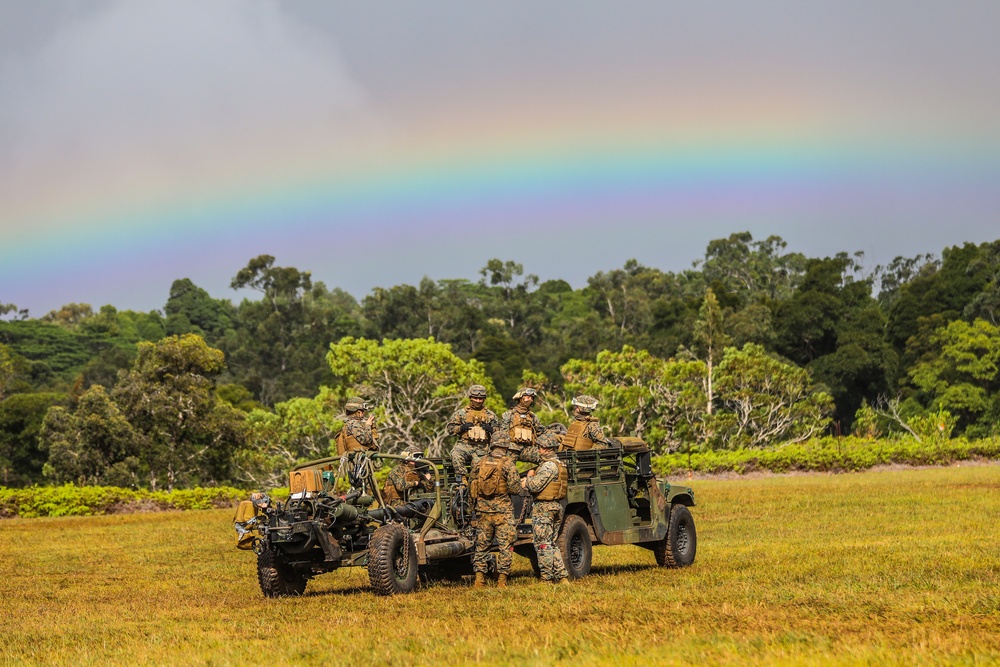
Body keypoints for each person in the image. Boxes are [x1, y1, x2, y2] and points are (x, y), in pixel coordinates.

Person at [469, 441, 521, 589]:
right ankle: (502, 581)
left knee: (482, 546)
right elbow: (515, 488)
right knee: (506, 546)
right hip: (503, 512)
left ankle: (479, 581)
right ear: (505, 447)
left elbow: (472, 485)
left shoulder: (479, 463)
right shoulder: (508, 464)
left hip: (483, 512)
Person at [521, 433, 569, 584]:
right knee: (551, 543)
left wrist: (527, 479)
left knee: (542, 544)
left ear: (546, 449)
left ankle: (547, 578)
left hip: (544, 508)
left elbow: (535, 485)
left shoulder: (549, 466)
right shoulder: (560, 463)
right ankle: (562, 577)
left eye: (540, 448)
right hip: (556, 506)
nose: (539, 450)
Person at [447, 384, 499, 483]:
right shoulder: (461, 413)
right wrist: (461, 428)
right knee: (456, 454)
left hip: (483, 447)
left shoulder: (490, 415)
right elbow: (450, 429)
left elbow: (500, 433)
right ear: (470, 398)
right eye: (475, 398)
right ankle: (462, 481)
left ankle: (476, 484)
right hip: (465, 444)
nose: (478, 401)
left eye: (481, 398)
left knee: (481, 467)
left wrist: (491, 429)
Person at [500, 388, 545, 463]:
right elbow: (502, 434)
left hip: (527, 449)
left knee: (546, 458)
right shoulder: (508, 414)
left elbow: (540, 432)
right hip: (511, 449)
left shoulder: (533, 417)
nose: (530, 400)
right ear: (520, 398)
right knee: (506, 467)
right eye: (528, 397)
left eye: (532, 398)